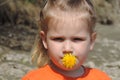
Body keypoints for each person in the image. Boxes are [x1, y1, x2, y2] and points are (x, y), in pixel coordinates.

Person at [22, 0, 111, 80]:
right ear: (44, 40)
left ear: (91, 41)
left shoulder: (101, 78)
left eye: (77, 39)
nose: (67, 49)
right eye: (58, 39)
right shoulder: (34, 78)